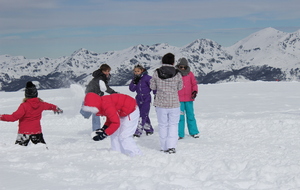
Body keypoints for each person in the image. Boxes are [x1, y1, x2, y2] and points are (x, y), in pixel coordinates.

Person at [0, 81, 63, 147]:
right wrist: (56, 108)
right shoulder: (41, 104)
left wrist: (1, 117)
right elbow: (50, 106)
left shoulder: (24, 106)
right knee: (42, 149)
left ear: (26, 94)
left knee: (18, 151)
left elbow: (13, 117)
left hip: (24, 133)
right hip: (37, 132)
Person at [82, 92, 142, 157]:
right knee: (114, 134)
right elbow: (111, 118)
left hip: (131, 110)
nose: (92, 111)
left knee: (124, 135)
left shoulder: (106, 105)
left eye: (91, 109)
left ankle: (136, 154)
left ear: (94, 105)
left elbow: (116, 123)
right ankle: (117, 153)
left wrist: (104, 134)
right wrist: (104, 128)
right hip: (122, 111)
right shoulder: (102, 103)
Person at [150, 53, 183, 154]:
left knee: (162, 125)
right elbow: (180, 87)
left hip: (160, 103)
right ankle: (171, 146)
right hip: (173, 103)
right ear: (173, 62)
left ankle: (163, 146)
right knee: (173, 125)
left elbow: (153, 87)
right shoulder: (177, 73)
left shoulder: (157, 72)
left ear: (162, 61)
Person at [80, 64, 118, 132]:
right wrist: (114, 93)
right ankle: (96, 130)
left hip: (93, 96)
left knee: (89, 113)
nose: (107, 72)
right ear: (102, 71)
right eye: (105, 71)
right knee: (96, 113)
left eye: (108, 71)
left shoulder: (101, 77)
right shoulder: (100, 79)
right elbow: (105, 88)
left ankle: (84, 111)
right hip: (93, 96)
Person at [176, 58, 200, 139]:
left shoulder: (190, 74)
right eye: (181, 67)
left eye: (184, 67)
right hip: (179, 100)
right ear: (178, 66)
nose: (182, 69)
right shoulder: (176, 74)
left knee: (191, 116)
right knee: (180, 117)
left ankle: (194, 132)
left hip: (189, 99)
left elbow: (194, 84)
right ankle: (180, 133)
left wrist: (194, 91)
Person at [129, 64, 155, 137]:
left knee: (143, 114)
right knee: (139, 113)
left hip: (146, 97)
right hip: (138, 97)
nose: (136, 72)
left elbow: (153, 86)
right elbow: (132, 89)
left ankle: (138, 131)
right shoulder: (134, 78)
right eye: (135, 71)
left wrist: (155, 94)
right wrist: (134, 82)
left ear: (142, 70)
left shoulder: (147, 78)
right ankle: (148, 129)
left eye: (138, 71)